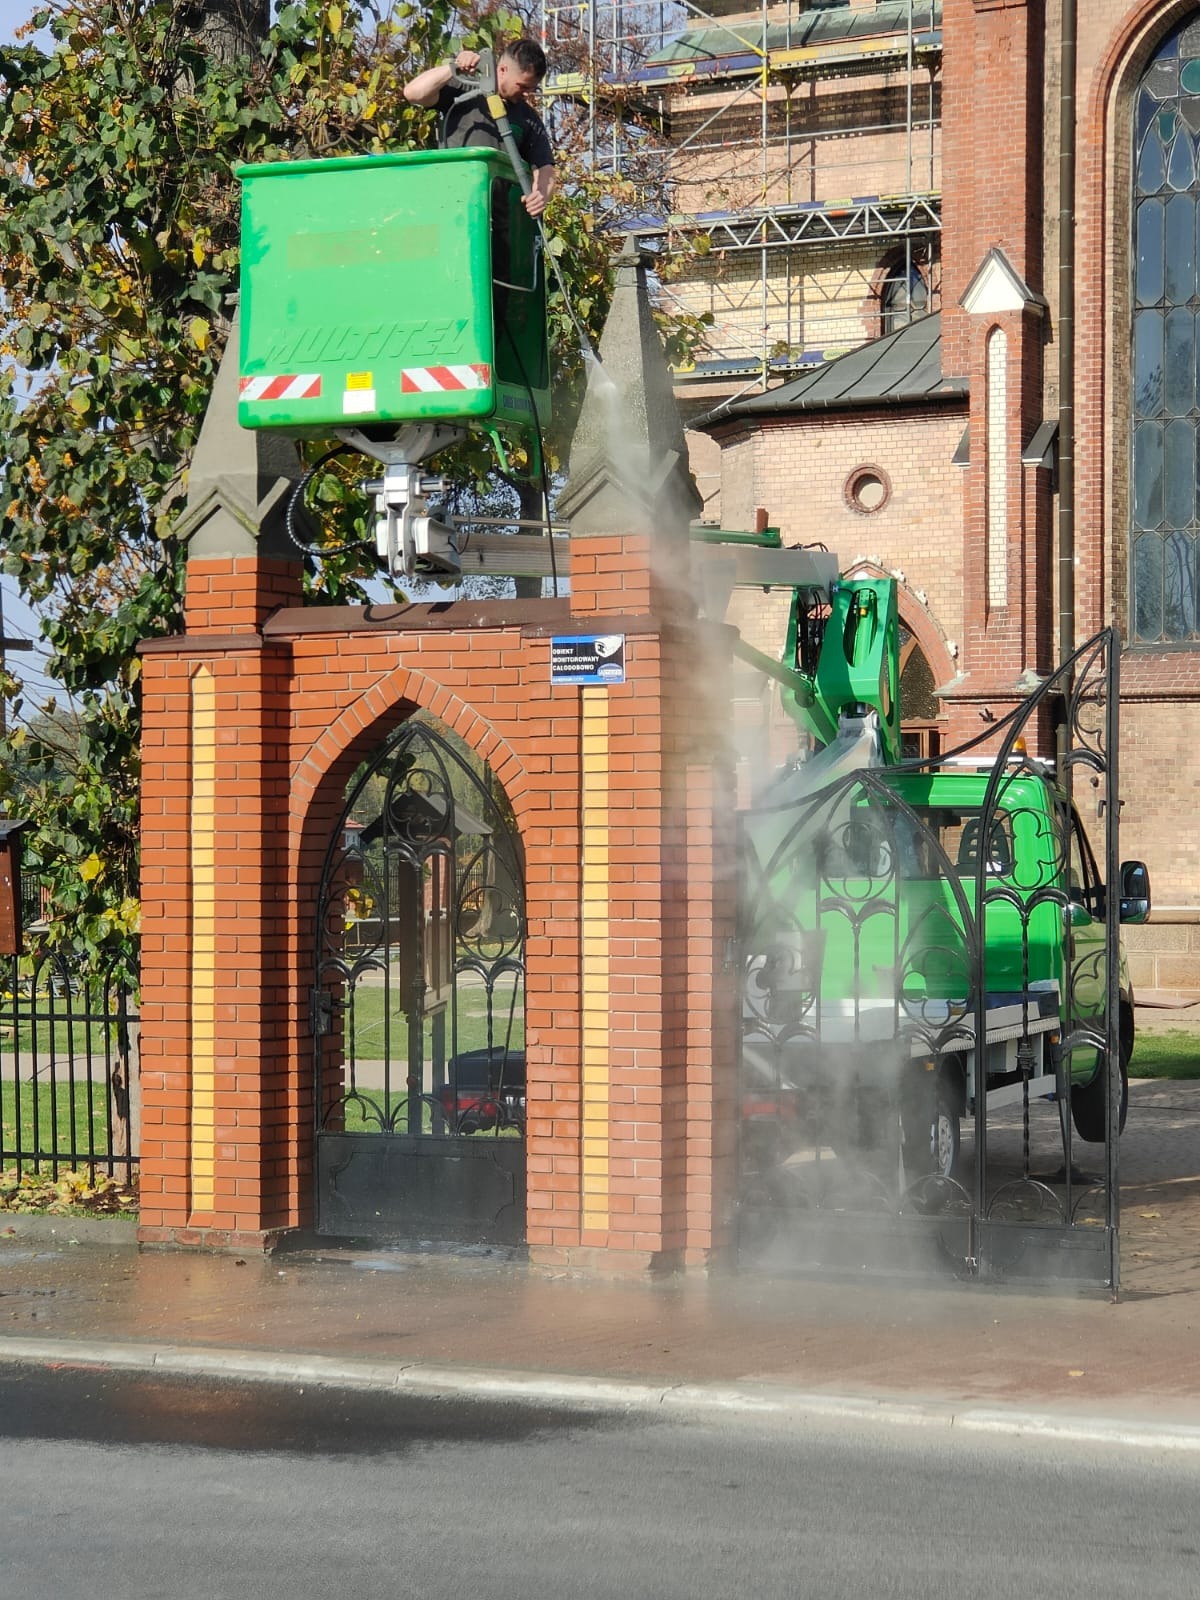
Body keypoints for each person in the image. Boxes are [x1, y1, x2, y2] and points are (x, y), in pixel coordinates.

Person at [403, 39, 557, 219]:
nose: (527, 94)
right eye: (522, 86)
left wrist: (540, 197)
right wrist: (454, 67)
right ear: (502, 70)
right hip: (455, 212)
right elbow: (413, 93)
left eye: (531, 88)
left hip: (501, 221)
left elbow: (545, 168)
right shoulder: (463, 91)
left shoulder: (528, 118)